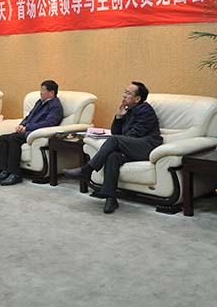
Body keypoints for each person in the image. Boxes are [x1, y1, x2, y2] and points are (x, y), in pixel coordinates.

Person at [65, 82, 162, 214]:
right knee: (112, 156)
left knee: (114, 140)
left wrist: (119, 140)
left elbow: (134, 134)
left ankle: (87, 169)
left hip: (147, 147)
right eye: (125, 91)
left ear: (137, 99)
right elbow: (116, 132)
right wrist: (119, 117)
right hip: (132, 147)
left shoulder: (145, 110)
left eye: (128, 93)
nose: (124, 95)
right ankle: (111, 199)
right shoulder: (128, 110)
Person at [0, 80, 63, 186]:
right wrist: (22, 125)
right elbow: (29, 116)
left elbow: (49, 123)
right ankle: (4, 171)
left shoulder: (55, 106)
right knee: (3, 138)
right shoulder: (40, 102)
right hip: (27, 130)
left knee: (13, 139)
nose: (40, 92)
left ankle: (15, 174)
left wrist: (27, 128)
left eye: (43, 90)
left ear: (51, 93)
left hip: (35, 133)